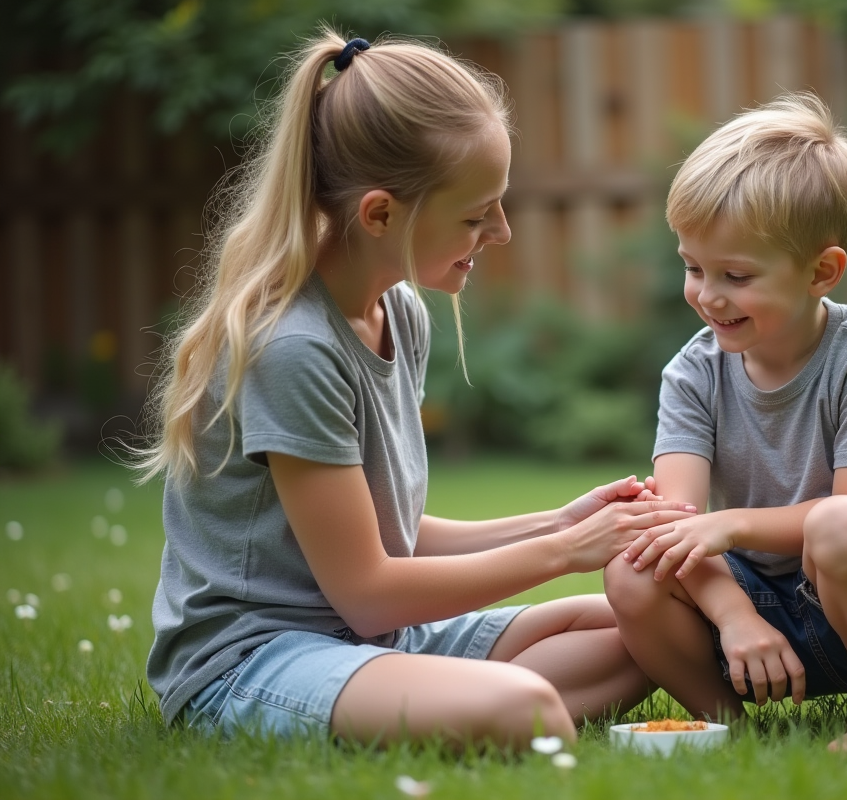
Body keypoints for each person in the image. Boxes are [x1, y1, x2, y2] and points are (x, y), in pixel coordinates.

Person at [134, 30, 697, 749]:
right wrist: (567, 552)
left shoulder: (397, 311)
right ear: (379, 215)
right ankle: (469, 703)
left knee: (642, 630)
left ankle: (444, 700)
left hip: (375, 637)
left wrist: (560, 521)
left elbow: (390, 536)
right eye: (474, 214)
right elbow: (366, 592)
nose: (502, 231)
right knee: (524, 710)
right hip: (257, 658)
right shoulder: (295, 349)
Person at [603, 92, 847, 749]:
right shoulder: (692, 374)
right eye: (693, 267)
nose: (708, 295)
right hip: (764, 611)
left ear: (822, 272)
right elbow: (675, 525)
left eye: (737, 275)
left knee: (840, 524)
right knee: (634, 564)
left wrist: (733, 524)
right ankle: (728, 725)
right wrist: (734, 617)